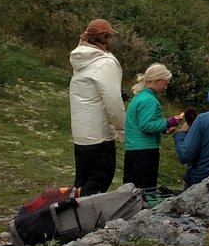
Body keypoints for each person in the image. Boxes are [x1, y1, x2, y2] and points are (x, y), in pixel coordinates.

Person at [68, 18, 124, 194]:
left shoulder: (80, 59)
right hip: (100, 136)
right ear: (106, 37)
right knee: (98, 184)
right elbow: (113, 101)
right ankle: (76, 211)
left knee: (82, 183)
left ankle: (69, 208)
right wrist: (123, 130)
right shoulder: (105, 62)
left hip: (81, 134)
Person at [123, 63, 185, 191]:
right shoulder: (149, 100)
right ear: (157, 81)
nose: (166, 87)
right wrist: (169, 122)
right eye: (165, 83)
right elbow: (146, 126)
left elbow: (142, 123)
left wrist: (163, 129)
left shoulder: (139, 97)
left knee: (129, 190)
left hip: (132, 149)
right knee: (146, 190)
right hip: (145, 151)